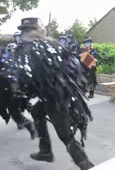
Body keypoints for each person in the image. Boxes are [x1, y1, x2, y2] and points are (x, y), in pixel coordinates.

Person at [14, 17, 94, 170]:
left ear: (28, 32)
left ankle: (86, 165)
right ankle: (45, 151)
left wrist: (23, 95)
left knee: (66, 136)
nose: (23, 34)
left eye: (25, 30)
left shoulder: (26, 49)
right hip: (63, 94)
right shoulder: (54, 45)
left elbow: (24, 78)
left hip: (54, 97)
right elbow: (75, 67)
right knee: (37, 111)